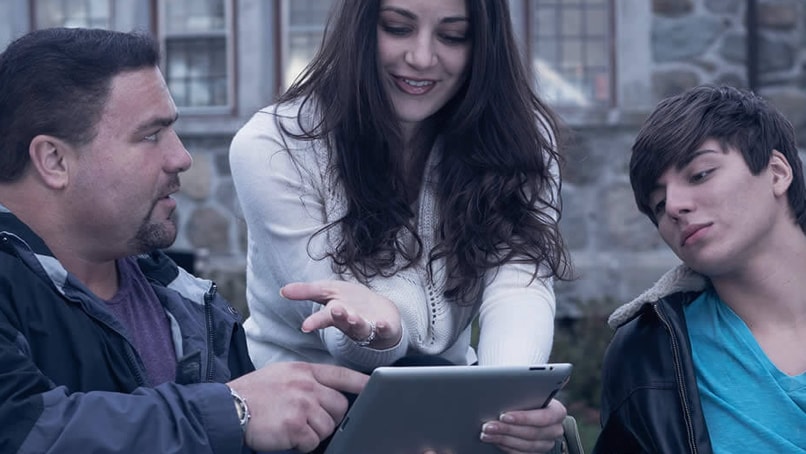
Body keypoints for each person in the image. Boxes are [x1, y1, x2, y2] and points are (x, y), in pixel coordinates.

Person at [0, 27, 369, 454]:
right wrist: (233, 409)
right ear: (54, 160)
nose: (181, 158)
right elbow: (24, 431)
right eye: (151, 135)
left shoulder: (189, 305)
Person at [230, 0, 571, 451]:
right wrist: (380, 329)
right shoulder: (273, 146)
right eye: (397, 27)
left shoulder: (522, 138)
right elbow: (339, 332)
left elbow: (520, 283)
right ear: (360, 26)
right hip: (310, 412)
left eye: (453, 36)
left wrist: (505, 409)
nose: (421, 58)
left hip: (448, 398)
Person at [593, 85, 806, 453]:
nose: (674, 206)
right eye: (658, 205)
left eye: (700, 174)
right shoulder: (646, 353)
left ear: (776, 172)